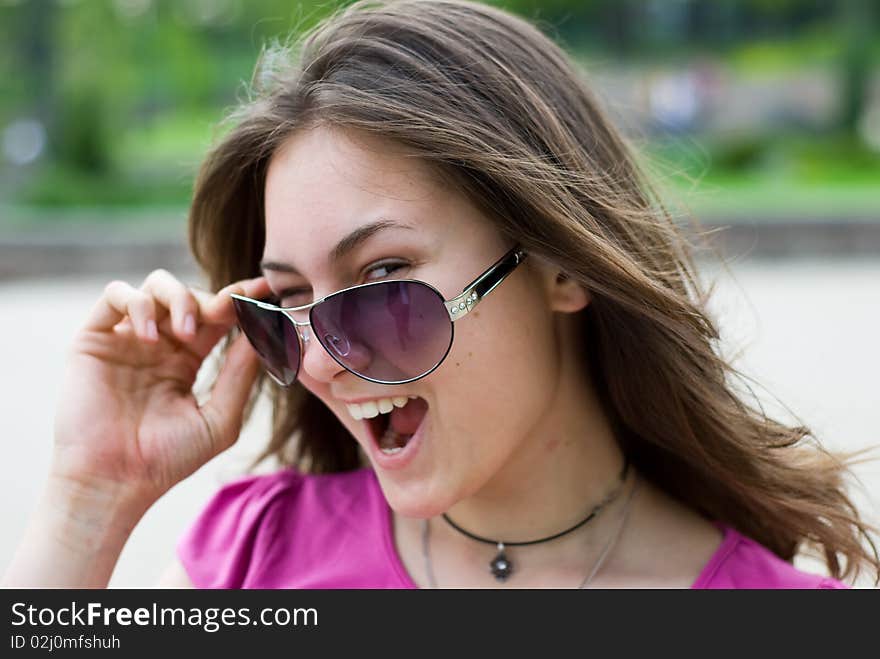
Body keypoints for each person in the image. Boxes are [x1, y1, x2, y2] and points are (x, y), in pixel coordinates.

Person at [3, 0, 877, 589]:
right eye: (289, 301)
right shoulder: (263, 553)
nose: (322, 359)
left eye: (383, 278)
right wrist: (91, 495)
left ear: (561, 265)